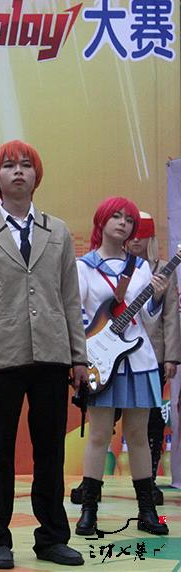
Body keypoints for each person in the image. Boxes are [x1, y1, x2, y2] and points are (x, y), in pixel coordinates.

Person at [0, 140, 87, 568]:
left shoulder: (58, 231)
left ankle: (52, 538)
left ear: (36, 176)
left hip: (52, 355)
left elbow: (70, 298)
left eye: (26, 165)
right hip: (1, 358)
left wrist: (79, 358)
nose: (18, 171)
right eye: (9, 166)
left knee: (49, 451)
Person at [74, 198, 170, 537]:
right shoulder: (83, 266)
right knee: (99, 435)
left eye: (128, 219)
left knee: (138, 436)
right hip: (100, 361)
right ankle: (89, 511)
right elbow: (77, 312)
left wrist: (157, 296)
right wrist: (89, 348)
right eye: (116, 216)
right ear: (101, 221)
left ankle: (148, 512)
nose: (123, 223)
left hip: (139, 360)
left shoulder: (141, 267)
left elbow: (148, 316)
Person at [127, 211, 180, 504]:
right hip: (118, 353)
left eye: (142, 235)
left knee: (151, 419)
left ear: (151, 238)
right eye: (132, 234)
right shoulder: (118, 267)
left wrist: (171, 356)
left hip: (154, 355)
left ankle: (148, 480)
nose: (136, 240)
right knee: (106, 416)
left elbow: (171, 317)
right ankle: (91, 482)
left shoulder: (164, 270)